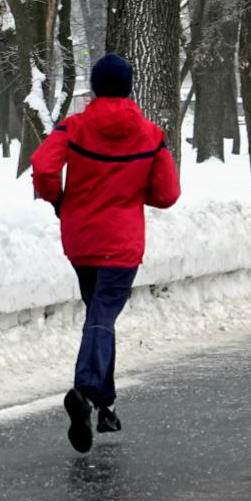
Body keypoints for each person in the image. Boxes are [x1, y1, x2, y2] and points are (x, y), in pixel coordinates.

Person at [31, 53, 180, 452]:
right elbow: (168, 194)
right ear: (129, 87)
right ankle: (85, 389)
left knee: (100, 316)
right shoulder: (150, 134)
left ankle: (106, 405)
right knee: (102, 316)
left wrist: (58, 199)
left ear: (95, 87)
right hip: (122, 242)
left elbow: (43, 168)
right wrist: (133, 194)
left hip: (81, 239)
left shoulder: (73, 127)